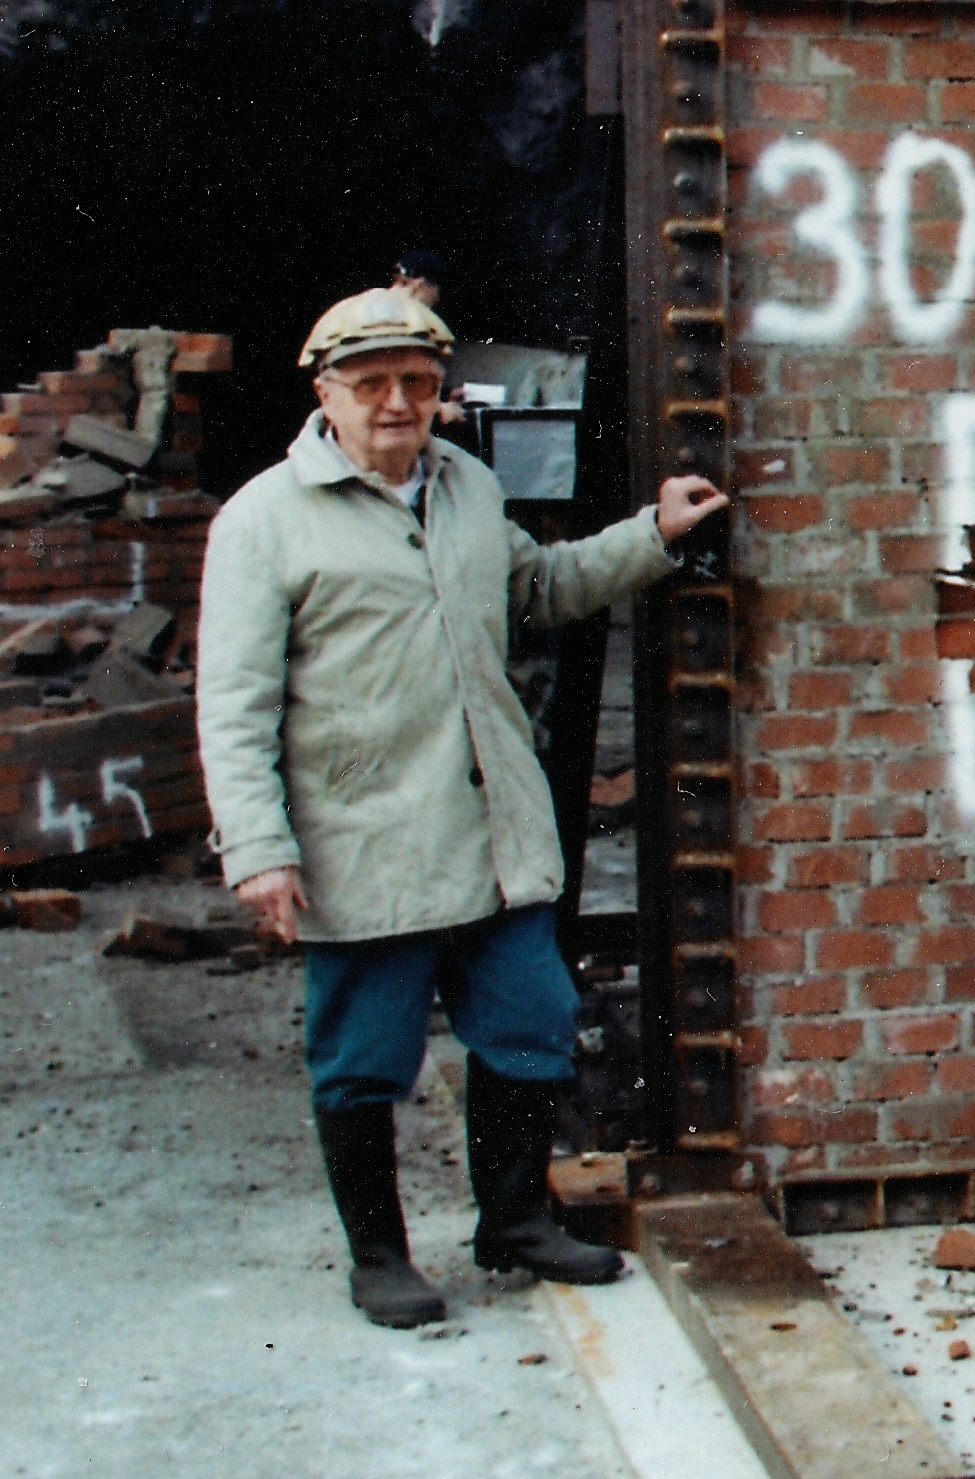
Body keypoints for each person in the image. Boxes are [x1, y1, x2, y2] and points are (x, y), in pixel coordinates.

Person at [197, 287, 728, 1327]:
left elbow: (536, 589)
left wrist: (651, 536)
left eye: (417, 382)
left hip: (492, 834)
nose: (397, 402)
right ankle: (379, 1257)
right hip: (363, 840)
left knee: (531, 1024)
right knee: (362, 1060)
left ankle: (515, 1221)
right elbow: (233, 701)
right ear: (325, 394)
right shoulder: (263, 521)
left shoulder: (468, 487)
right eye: (371, 384)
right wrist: (258, 847)